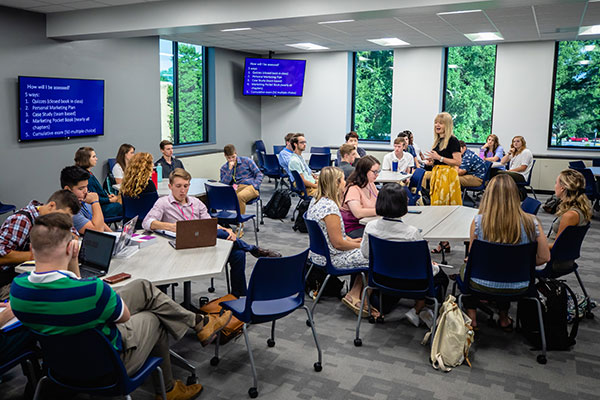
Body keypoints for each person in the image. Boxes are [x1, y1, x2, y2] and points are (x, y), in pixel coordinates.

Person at [10, 212, 232, 400]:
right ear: (72, 247)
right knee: (154, 316)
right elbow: (124, 317)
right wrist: (74, 263)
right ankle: (168, 389)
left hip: (60, 366)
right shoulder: (93, 290)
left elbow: (68, 295)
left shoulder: (17, 291)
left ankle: (200, 324)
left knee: (142, 287)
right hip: (109, 364)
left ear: (32, 247)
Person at [142, 168, 281, 298]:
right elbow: (147, 223)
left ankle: (239, 297)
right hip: (180, 248)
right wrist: (172, 226)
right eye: (178, 186)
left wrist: (224, 229)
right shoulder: (163, 203)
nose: (182, 190)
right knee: (223, 237)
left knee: (238, 254)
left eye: (185, 186)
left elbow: (209, 223)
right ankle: (253, 249)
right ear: (170, 186)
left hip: (203, 243)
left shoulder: (196, 203)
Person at [461, 175, 550, 331]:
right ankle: (503, 318)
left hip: (480, 283)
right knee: (506, 271)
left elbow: (473, 258)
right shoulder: (532, 222)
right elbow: (544, 257)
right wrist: (520, 264)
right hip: (520, 285)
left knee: (466, 270)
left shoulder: (479, 222)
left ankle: (471, 318)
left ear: (488, 196)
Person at [361, 183, 448, 327]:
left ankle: (417, 307)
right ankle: (419, 309)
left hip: (381, 278)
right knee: (441, 277)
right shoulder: (411, 232)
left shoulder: (370, 227)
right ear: (403, 205)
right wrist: (434, 266)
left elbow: (365, 254)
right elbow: (423, 267)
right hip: (412, 282)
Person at [305, 166, 373, 317]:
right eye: (342, 180)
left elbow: (335, 235)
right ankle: (362, 299)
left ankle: (354, 292)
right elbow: (338, 244)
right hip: (331, 258)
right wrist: (359, 245)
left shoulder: (316, 201)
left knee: (367, 249)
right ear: (336, 183)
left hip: (318, 254)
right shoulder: (330, 208)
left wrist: (352, 240)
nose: (345, 183)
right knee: (374, 256)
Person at [0, 190, 80, 268]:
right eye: (64, 216)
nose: (64, 220)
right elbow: (2, 255)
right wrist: (40, 255)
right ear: (51, 206)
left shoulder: (53, 217)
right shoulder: (21, 220)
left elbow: (74, 236)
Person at [424, 112, 462, 254]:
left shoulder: (453, 140)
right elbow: (438, 159)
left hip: (447, 178)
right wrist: (431, 161)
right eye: (436, 122)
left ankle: (444, 242)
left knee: (443, 210)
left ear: (447, 125)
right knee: (437, 209)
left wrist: (439, 158)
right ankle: (444, 243)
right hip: (438, 175)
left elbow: (458, 162)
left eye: (440, 123)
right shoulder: (438, 140)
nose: (437, 125)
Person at [546, 169, 592, 273]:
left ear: (562, 188)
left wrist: (537, 243)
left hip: (555, 260)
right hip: (561, 256)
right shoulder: (576, 210)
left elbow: (558, 245)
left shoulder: (570, 215)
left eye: (556, 183)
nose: (555, 186)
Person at [61, 166, 112, 235]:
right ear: (67, 189)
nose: (86, 191)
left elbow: (99, 222)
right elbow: (97, 231)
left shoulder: (83, 200)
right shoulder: (69, 210)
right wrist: (95, 202)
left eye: (86, 186)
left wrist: (113, 234)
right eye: (81, 188)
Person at [74, 146, 123, 218]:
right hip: (99, 208)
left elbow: (97, 193)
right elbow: (93, 197)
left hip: (101, 203)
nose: (96, 159)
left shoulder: (87, 173)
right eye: (93, 157)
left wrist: (107, 196)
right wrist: (109, 200)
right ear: (86, 159)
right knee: (123, 206)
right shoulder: (86, 177)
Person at [341, 156, 380, 239]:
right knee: (384, 236)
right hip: (353, 229)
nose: (377, 175)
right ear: (364, 171)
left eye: (378, 171)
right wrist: (382, 211)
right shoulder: (353, 188)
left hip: (367, 224)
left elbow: (380, 201)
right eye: (374, 172)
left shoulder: (370, 184)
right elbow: (358, 213)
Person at [219, 144, 263, 215]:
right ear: (225, 156)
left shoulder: (247, 161)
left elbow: (259, 174)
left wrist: (255, 186)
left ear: (236, 153)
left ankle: (240, 222)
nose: (231, 159)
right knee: (220, 196)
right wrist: (229, 170)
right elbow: (224, 184)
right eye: (228, 158)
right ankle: (224, 221)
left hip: (250, 187)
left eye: (233, 157)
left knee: (240, 197)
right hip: (236, 188)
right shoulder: (224, 168)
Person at [497, 135, 534, 201]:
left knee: (498, 173)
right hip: (514, 173)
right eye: (514, 141)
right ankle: (501, 195)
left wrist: (510, 171)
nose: (515, 143)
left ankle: (500, 195)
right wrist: (509, 153)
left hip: (521, 175)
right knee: (496, 171)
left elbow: (523, 167)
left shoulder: (526, 152)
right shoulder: (515, 152)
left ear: (522, 142)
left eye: (518, 141)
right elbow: (502, 161)